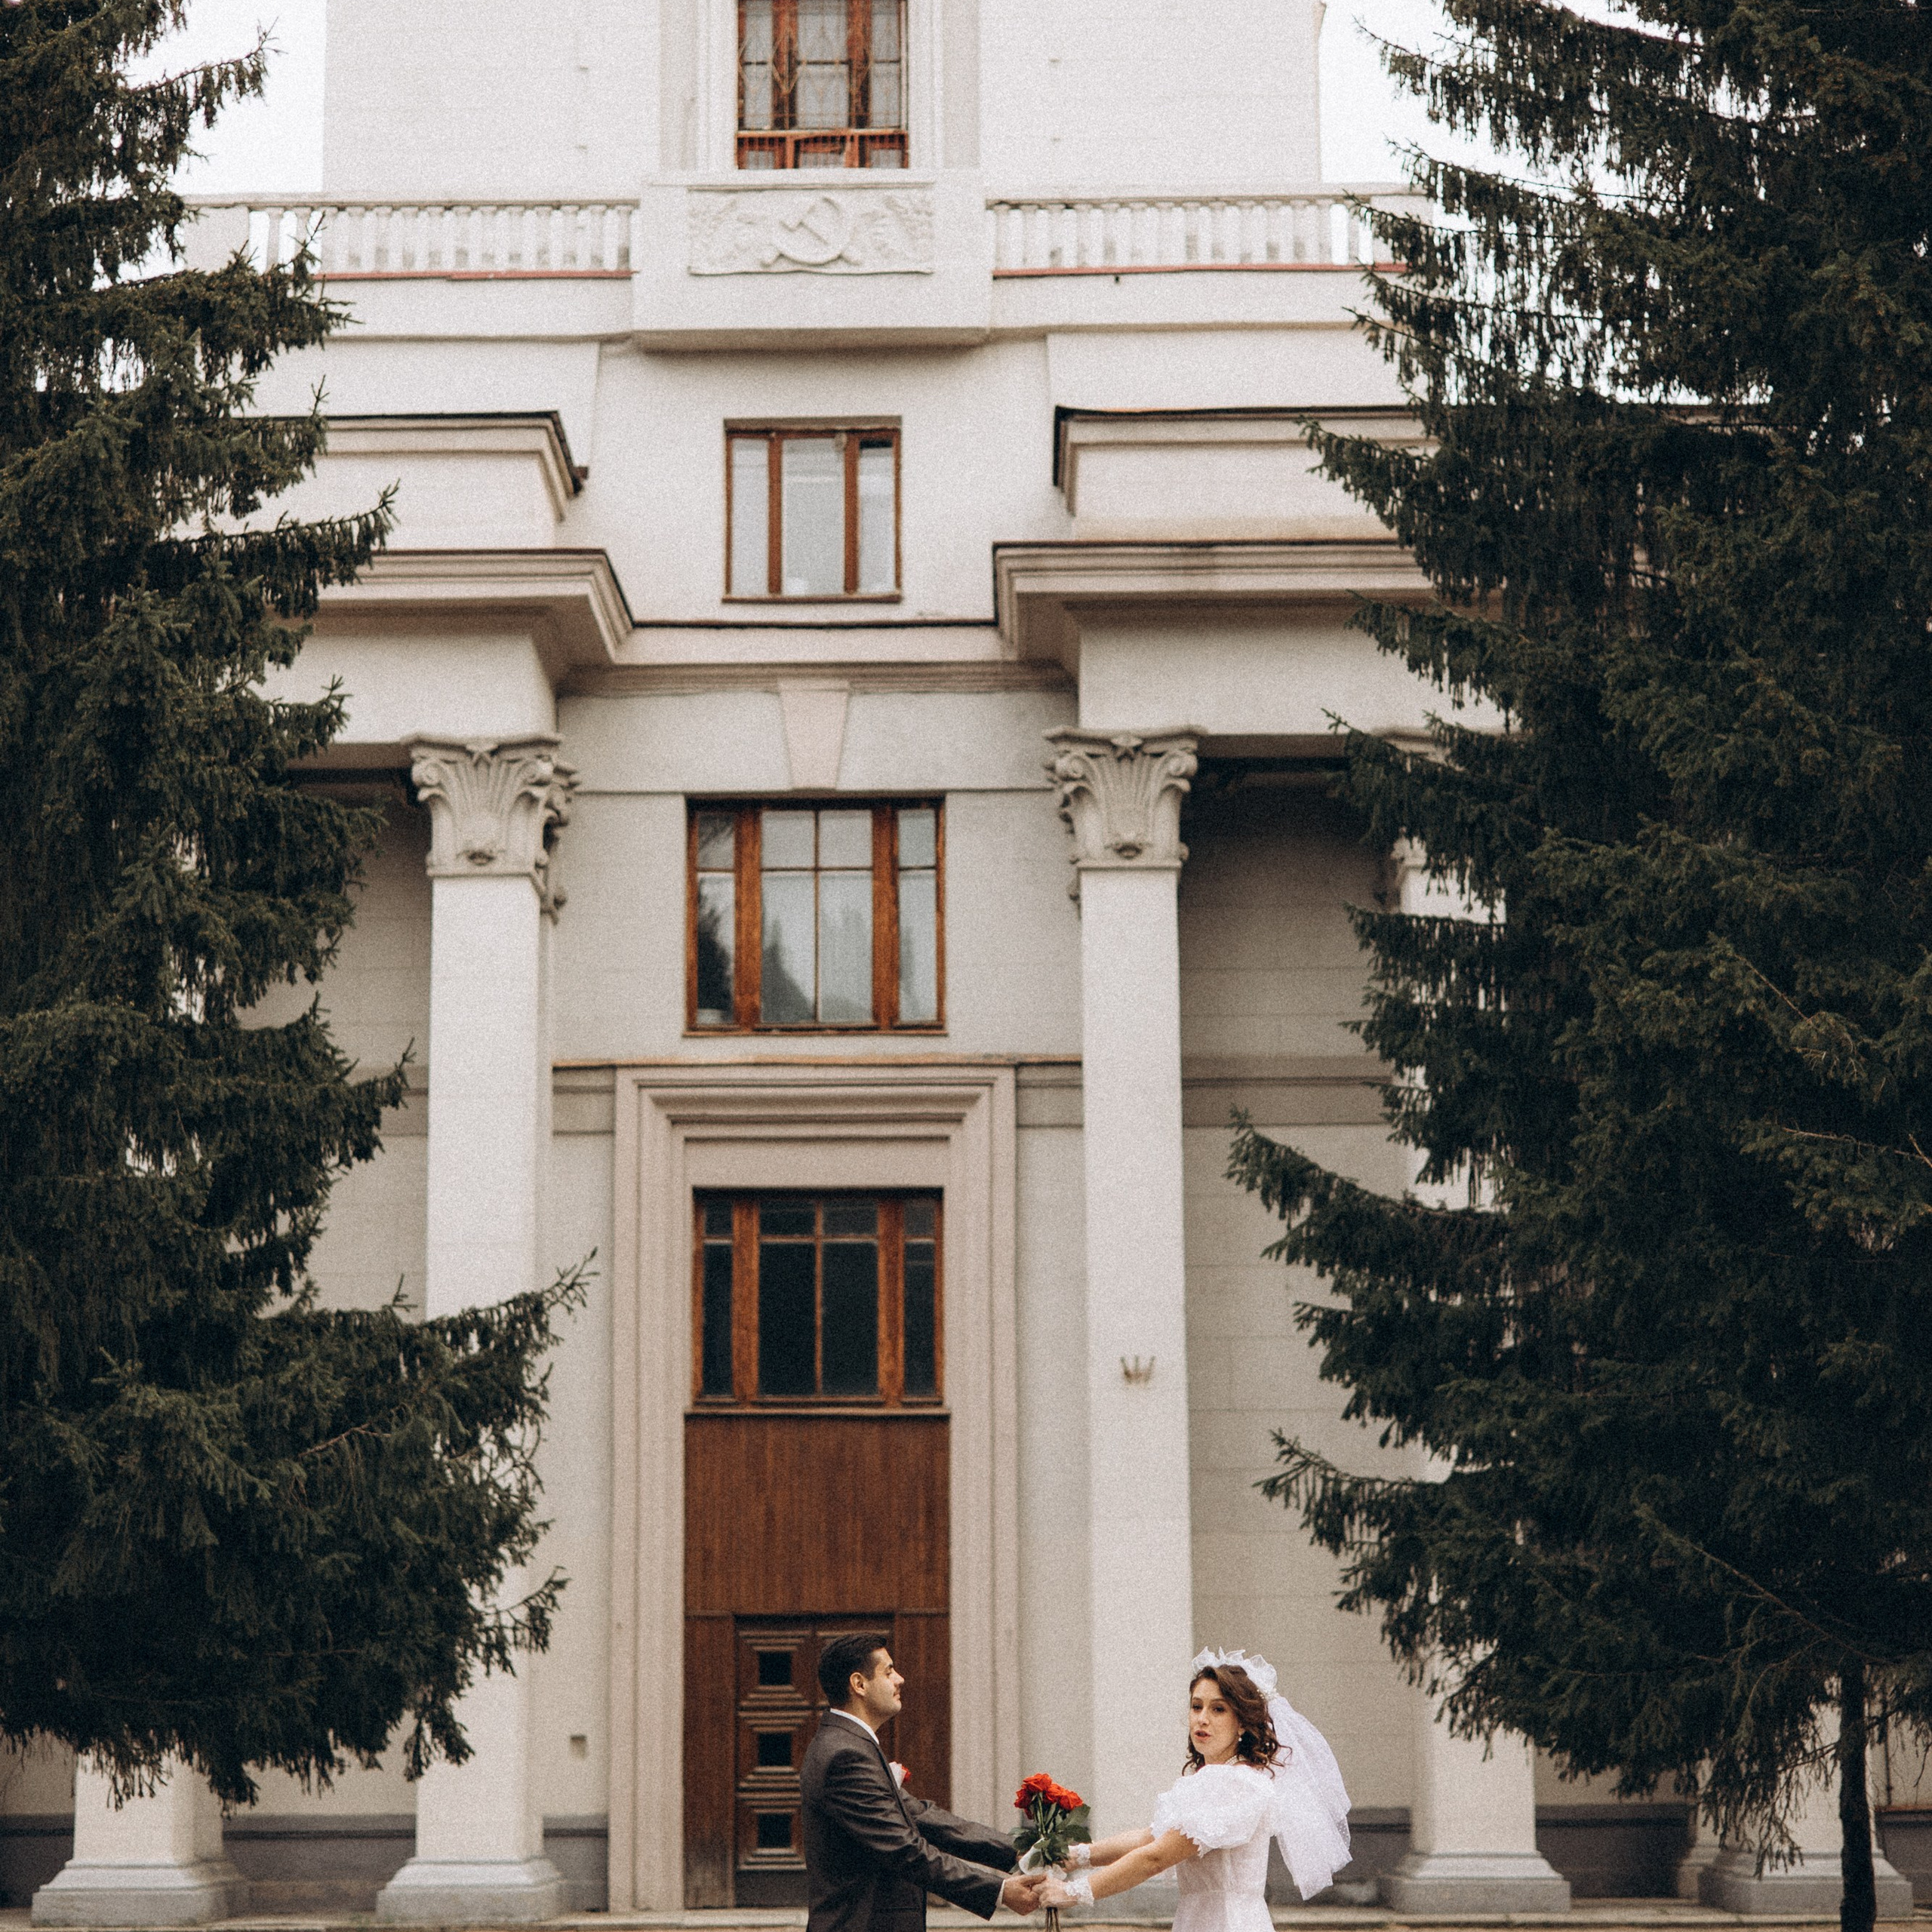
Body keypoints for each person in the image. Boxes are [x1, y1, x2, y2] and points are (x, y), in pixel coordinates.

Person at [1040, 1647, 1352, 1931]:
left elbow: (1155, 1857)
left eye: (1218, 1710)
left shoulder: (1238, 1784)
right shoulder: (1212, 1780)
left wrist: (1074, 1892)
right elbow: (1151, 1838)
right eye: (1196, 1706)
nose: (1202, 1719)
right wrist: (1076, 1855)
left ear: (1242, 1723)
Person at [802, 1632, 1045, 1932]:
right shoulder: (845, 1755)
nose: (900, 1679)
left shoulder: (849, 1745)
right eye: (888, 1672)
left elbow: (923, 1817)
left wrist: (1023, 1850)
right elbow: (904, 1849)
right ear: (859, 1684)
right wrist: (1000, 1891)